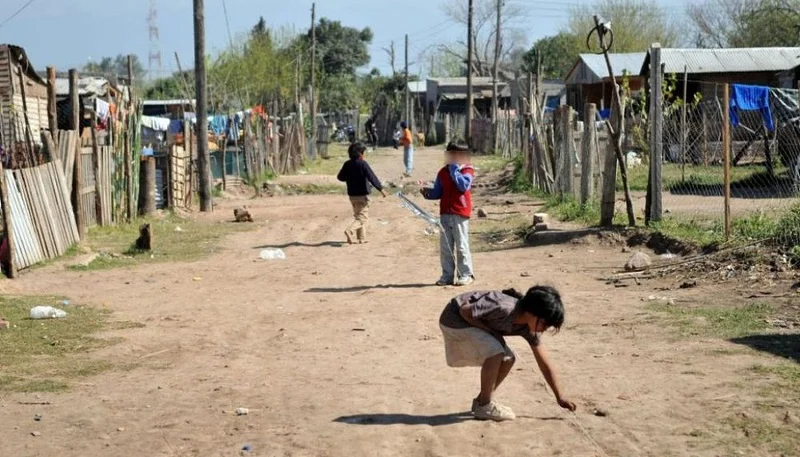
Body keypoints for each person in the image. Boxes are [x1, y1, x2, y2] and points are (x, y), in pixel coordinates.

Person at [438, 286, 576, 422]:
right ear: (531, 312)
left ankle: (481, 401)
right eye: (545, 324)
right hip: (455, 320)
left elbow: (544, 364)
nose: (544, 329)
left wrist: (560, 396)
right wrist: (491, 332)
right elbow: (464, 311)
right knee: (496, 352)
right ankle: (485, 407)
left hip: (469, 322)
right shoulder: (504, 307)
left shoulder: (529, 328)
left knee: (508, 359)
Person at [421, 142, 475, 286]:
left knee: (461, 245)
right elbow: (438, 192)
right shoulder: (442, 172)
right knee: (446, 247)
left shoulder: (467, 171)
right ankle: (447, 275)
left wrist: (455, 171)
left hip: (460, 213)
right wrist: (428, 193)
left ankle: (466, 274)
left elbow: (463, 186)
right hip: (445, 214)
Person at [337, 142, 387, 244]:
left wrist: (350, 177)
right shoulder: (363, 164)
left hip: (352, 196)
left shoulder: (347, 164)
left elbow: (340, 177)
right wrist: (381, 189)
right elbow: (372, 177)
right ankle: (349, 230)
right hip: (362, 196)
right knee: (362, 218)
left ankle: (361, 238)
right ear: (360, 153)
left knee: (358, 216)